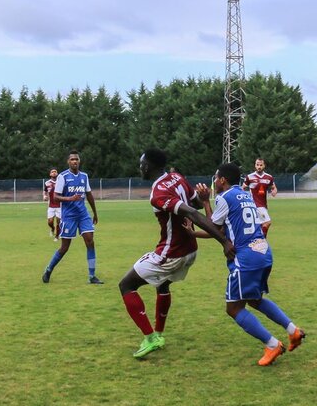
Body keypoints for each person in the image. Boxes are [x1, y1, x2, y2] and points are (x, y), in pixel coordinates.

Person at [117, 148, 234, 359]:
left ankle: (151, 338)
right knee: (162, 284)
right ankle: (159, 334)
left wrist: (223, 241)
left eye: (142, 163)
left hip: (172, 253)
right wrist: (203, 198)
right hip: (190, 250)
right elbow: (195, 202)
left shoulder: (158, 193)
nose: (140, 167)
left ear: (150, 166)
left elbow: (191, 211)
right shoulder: (177, 177)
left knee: (126, 284)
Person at [194, 162, 306, 366]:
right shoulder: (246, 195)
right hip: (263, 252)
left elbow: (214, 229)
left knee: (234, 309)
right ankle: (293, 331)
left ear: (222, 180)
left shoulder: (224, 197)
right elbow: (222, 229)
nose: (214, 181)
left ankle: (272, 345)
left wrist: (204, 205)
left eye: (215, 177)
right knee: (254, 300)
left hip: (245, 259)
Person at [41, 151, 102, 284]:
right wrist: (70, 198)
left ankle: (92, 276)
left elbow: (89, 195)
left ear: (79, 161)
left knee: (90, 242)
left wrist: (95, 213)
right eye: (72, 159)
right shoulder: (63, 176)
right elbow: (56, 196)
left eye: (77, 159)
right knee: (64, 248)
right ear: (68, 162)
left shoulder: (84, 176)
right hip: (68, 216)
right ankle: (48, 270)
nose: (75, 161)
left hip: (83, 215)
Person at [245, 158, 278, 236]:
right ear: (255, 165)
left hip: (263, 205)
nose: (259, 167)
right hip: (254, 204)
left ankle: (257, 242)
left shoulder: (268, 177)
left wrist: (274, 191)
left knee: (260, 225)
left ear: (264, 166)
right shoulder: (250, 177)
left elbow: (274, 187)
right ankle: (262, 240)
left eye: (261, 165)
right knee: (267, 222)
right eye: (257, 165)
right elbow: (242, 188)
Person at [43, 168, 61, 241]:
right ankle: (52, 228)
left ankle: (57, 236)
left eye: (55, 172)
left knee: (59, 221)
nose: (54, 173)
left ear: (57, 174)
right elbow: (45, 191)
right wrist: (44, 196)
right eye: (52, 172)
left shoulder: (61, 182)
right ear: (50, 174)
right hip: (51, 205)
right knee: (50, 222)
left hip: (60, 205)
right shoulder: (47, 183)